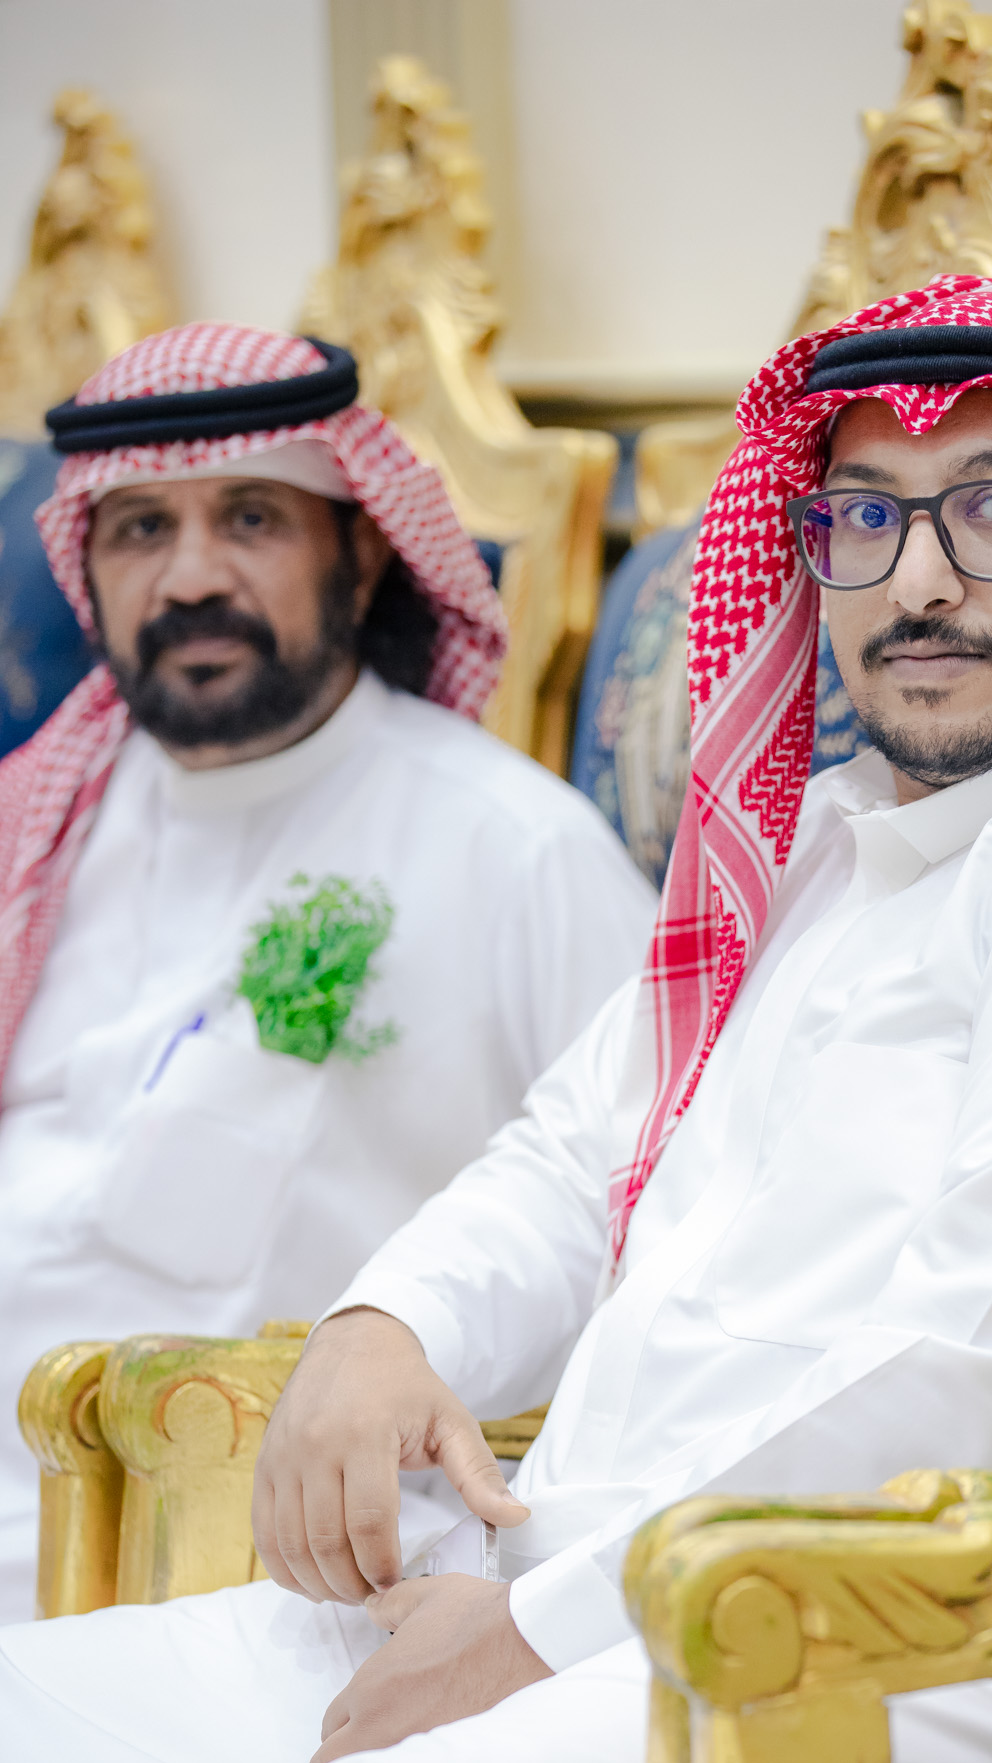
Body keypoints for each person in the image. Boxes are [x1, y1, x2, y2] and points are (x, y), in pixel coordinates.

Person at [3, 274, 992, 1763]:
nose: (917, 579)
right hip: (627, 1591)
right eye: (865, 518)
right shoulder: (833, 849)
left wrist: (540, 1637)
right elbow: (576, 1153)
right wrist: (387, 1323)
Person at [0, 322, 657, 1623]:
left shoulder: (511, 850)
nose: (192, 577)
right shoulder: (43, 819)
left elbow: (652, 1209)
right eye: (141, 530)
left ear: (359, 548)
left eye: (251, 519)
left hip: (228, 1567)